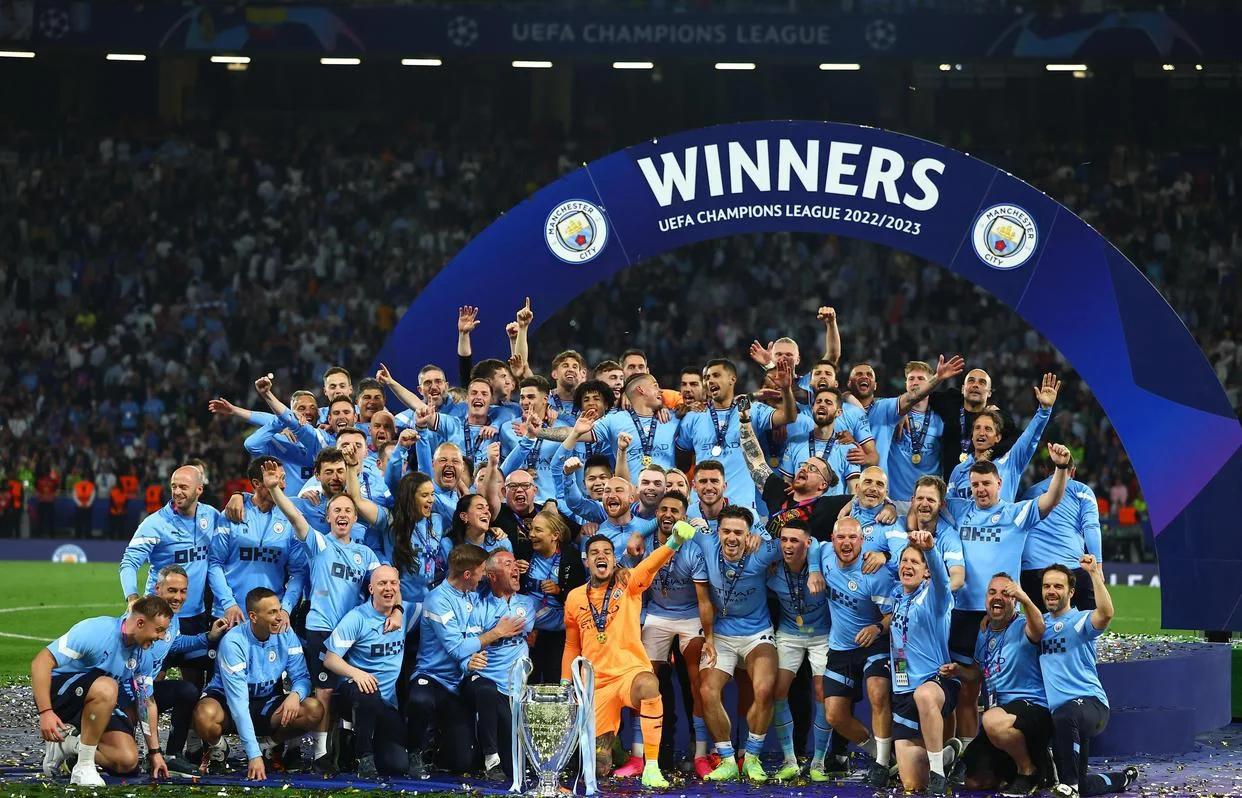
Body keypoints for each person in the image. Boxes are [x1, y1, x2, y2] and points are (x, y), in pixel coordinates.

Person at [262, 460, 386, 771]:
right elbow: (295, 516)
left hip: (353, 634)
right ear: (328, 517)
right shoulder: (319, 544)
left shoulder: (366, 554)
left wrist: (396, 609)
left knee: (345, 691)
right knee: (325, 691)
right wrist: (275, 489)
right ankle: (320, 755)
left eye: (348, 511)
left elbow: (384, 583)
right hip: (322, 629)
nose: (342, 514)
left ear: (355, 518)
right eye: (337, 510)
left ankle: (339, 749)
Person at [946, 444, 1072, 745]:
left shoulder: (1015, 513)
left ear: (999, 484)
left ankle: (1011, 743)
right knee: (966, 689)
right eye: (975, 484)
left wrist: (1060, 468)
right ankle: (968, 752)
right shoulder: (959, 510)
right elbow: (923, 501)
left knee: (1007, 683)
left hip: (1003, 615)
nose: (980, 489)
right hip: (964, 612)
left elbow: (1051, 499)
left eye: (986, 483)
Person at [562, 521, 696, 790]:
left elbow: (650, 566)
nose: (601, 556)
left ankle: (651, 767)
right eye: (594, 553)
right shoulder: (575, 598)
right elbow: (571, 646)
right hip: (596, 684)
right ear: (586, 561)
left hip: (629, 674)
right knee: (599, 768)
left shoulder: (628, 583)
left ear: (614, 560)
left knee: (649, 684)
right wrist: (566, 684)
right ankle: (618, 751)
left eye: (607, 552)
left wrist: (673, 543)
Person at [693, 505, 823, 783]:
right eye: (726, 531)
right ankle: (728, 760)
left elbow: (809, 544)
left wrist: (812, 569)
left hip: (757, 634)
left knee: (764, 689)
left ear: (748, 534)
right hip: (721, 634)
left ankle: (751, 757)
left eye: (739, 533)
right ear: (717, 532)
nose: (732, 538)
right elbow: (678, 527)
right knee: (707, 690)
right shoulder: (705, 541)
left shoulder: (762, 550)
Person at [34, 596, 173, 785]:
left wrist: (154, 752)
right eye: (159, 630)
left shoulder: (144, 655)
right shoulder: (96, 631)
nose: (161, 637)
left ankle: (67, 745)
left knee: (126, 761)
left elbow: (145, 702)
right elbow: (41, 662)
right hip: (60, 696)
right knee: (108, 686)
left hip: (98, 702)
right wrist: (45, 712)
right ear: (140, 622)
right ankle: (84, 767)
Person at [622, 491, 711, 777]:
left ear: (684, 516)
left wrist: (709, 637)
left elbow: (703, 599)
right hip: (657, 615)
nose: (668, 514)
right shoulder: (642, 543)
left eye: (675, 510)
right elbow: (630, 584)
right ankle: (639, 756)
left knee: (697, 683)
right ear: (656, 513)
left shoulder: (694, 549)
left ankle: (700, 753)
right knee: (643, 680)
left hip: (689, 616)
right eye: (663, 509)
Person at [193, 588, 324, 780]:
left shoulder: (286, 633)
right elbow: (238, 704)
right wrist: (253, 756)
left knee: (313, 709)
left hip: (265, 703)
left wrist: (296, 694)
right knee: (204, 715)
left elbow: (302, 677)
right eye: (272, 612)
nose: (279, 617)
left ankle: (268, 745)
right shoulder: (233, 642)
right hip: (228, 703)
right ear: (253, 617)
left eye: (279, 610)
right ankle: (219, 747)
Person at [1041, 559, 1139, 798]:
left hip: (1091, 705)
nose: (1051, 591)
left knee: (1064, 715)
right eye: (1046, 586)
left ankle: (1070, 786)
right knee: (1084, 784)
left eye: (1058, 586)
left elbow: (1106, 613)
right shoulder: (1039, 624)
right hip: (1064, 718)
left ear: (1071, 592)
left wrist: (1094, 573)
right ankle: (1122, 778)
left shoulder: (1080, 621)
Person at [946, 573, 1050, 794]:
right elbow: (977, 673)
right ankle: (1028, 767)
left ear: (1014, 601)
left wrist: (1024, 598)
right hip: (1001, 717)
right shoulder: (984, 632)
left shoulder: (1023, 625)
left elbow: (1040, 629)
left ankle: (1028, 770)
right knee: (974, 781)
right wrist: (959, 671)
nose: (998, 597)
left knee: (991, 720)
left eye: (1006, 593)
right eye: (992, 592)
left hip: (1032, 708)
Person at [119, 464, 220, 685]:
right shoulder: (155, 523)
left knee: (193, 685)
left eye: (183, 487)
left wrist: (238, 496)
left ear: (199, 489)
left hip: (195, 615)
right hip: (159, 614)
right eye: (174, 486)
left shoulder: (211, 516)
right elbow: (129, 562)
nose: (177, 492)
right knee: (150, 681)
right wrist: (132, 597)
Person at [408, 543, 498, 778]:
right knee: (420, 700)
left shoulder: (472, 597)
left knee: (462, 763)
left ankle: (439, 747)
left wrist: (468, 663)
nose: (484, 576)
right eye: (481, 571)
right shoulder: (437, 600)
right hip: (432, 676)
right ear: (467, 574)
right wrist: (496, 633)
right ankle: (414, 751)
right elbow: (457, 648)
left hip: (458, 681)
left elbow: (470, 641)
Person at [820, 517, 896, 787]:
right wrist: (814, 572)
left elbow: (895, 615)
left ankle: (882, 763)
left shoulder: (875, 573)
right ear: (832, 539)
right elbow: (812, 548)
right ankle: (883, 756)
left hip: (874, 642)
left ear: (862, 541)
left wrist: (877, 627)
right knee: (834, 715)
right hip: (841, 646)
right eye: (841, 537)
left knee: (878, 692)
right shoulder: (823, 555)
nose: (847, 543)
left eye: (853, 537)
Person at [140, 566, 229, 774]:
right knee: (122, 762)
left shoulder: (170, 616)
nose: (178, 597)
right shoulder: (142, 618)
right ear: (157, 588)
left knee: (187, 691)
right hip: (128, 692)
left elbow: (175, 643)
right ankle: (78, 745)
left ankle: (173, 755)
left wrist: (208, 637)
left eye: (183, 591)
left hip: (144, 689)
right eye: (172, 590)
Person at [676, 359, 798, 511]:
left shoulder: (750, 409)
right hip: (701, 508)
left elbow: (789, 416)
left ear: (732, 379)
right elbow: (681, 462)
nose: (710, 381)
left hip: (742, 507)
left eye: (716, 375)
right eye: (706, 378)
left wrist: (786, 390)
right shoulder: (692, 417)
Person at [323, 565, 409, 778]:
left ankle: (351, 741)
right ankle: (364, 757)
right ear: (371, 589)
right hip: (356, 693)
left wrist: (399, 610)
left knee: (397, 765)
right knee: (369, 691)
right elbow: (330, 658)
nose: (388, 588)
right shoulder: (356, 618)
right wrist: (356, 673)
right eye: (382, 583)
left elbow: (432, 606)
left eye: (393, 583)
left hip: (386, 702)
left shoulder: (406, 612)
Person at [461, 550, 540, 782]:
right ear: (492, 576)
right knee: (486, 690)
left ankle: (504, 758)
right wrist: (496, 633)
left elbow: (552, 620)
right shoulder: (478, 606)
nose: (515, 568)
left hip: (513, 689)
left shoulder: (528, 604)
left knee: (513, 763)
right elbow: (466, 644)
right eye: (507, 564)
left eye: (515, 563)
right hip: (484, 678)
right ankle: (490, 758)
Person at [889, 530, 957, 794]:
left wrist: (929, 550)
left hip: (936, 682)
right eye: (904, 561)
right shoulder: (898, 596)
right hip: (903, 688)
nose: (907, 566)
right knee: (912, 783)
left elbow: (942, 580)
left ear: (926, 571)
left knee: (924, 695)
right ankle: (947, 756)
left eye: (915, 562)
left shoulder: (934, 598)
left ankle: (939, 772)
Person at [765, 518, 832, 782]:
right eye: (784, 540)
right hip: (789, 634)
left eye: (795, 540)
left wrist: (814, 569)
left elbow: (819, 544)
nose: (788, 545)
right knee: (777, 691)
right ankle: (790, 760)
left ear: (806, 543)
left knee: (822, 692)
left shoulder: (822, 559)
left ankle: (818, 762)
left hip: (822, 635)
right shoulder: (772, 568)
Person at [207, 457, 307, 630]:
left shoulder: (292, 518)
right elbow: (215, 563)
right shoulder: (233, 513)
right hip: (231, 613)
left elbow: (297, 572)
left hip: (271, 615)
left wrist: (285, 609)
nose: (283, 485)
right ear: (256, 483)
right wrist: (228, 603)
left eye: (283, 478)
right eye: (275, 479)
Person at [866, 356, 966, 502]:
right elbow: (864, 402)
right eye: (911, 379)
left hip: (928, 500)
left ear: (930, 384)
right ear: (906, 384)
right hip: (895, 500)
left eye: (921, 378)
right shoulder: (892, 414)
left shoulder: (941, 418)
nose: (915, 382)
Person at [947, 373, 1058, 502]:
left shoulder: (1011, 462)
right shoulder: (959, 470)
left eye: (988, 429)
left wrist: (1044, 411)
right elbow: (949, 506)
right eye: (977, 428)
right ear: (972, 435)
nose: (981, 433)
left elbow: (1030, 437)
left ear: (998, 437)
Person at [1021, 455, 1102, 612]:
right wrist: (1097, 566)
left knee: (1040, 624)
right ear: (1073, 471)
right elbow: (1091, 526)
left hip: (1032, 570)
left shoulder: (1030, 493)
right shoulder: (1082, 491)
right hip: (1072, 568)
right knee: (1093, 620)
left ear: (1045, 470)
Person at [520, 510, 585, 684]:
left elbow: (578, 596)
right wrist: (515, 570)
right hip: (530, 627)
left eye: (538, 530)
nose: (531, 534)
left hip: (559, 627)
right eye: (531, 529)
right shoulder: (525, 551)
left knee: (554, 678)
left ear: (555, 535)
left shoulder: (570, 556)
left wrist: (559, 590)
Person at [777, 387, 861, 497]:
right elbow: (786, 484)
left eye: (828, 402)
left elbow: (854, 491)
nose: (822, 405)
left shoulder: (848, 448)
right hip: (801, 507)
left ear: (839, 412)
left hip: (833, 508)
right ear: (812, 408)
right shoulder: (794, 443)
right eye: (818, 402)